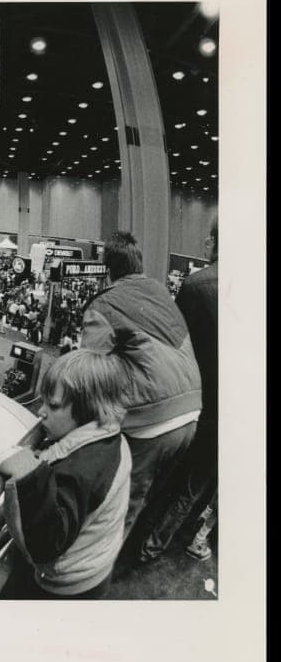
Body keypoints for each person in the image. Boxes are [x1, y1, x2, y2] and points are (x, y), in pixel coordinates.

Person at [80, 232, 202, 546]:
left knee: (123, 499)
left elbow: (89, 370)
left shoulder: (104, 304)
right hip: (191, 414)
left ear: (107, 268)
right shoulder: (160, 292)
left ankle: (96, 568)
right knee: (144, 493)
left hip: (153, 420)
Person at [0, 349, 131, 599]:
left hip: (69, 586)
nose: (40, 412)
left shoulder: (81, 469)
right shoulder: (111, 437)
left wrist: (28, 471)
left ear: (89, 409)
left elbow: (47, 544)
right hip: (95, 566)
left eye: (52, 405)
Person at [138, 224, 219, 563]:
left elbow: (172, 348)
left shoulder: (199, 285)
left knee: (166, 474)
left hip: (190, 404)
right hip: (230, 416)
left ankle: (137, 537)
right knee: (194, 487)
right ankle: (153, 546)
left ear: (213, 241)